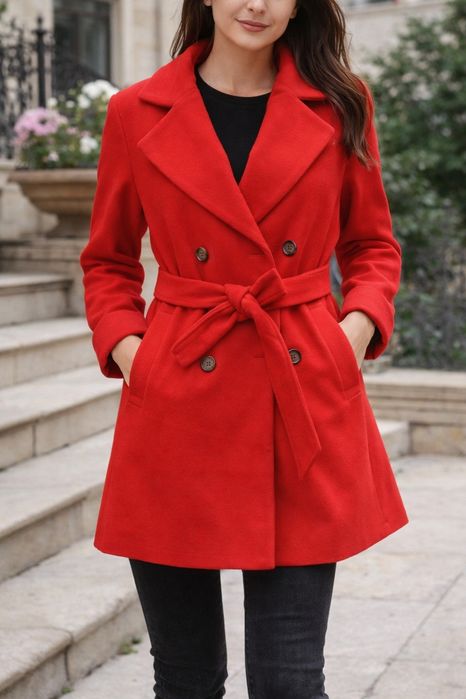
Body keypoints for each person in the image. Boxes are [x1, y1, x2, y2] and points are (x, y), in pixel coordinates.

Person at [79, 0, 410, 695]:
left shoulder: (340, 103)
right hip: (177, 399)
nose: (255, 4)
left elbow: (372, 246)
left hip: (299, 392)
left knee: (290, 680)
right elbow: (108, 261)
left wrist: (351, 335)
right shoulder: (137, 111)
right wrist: (134, 353)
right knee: (186, 679)